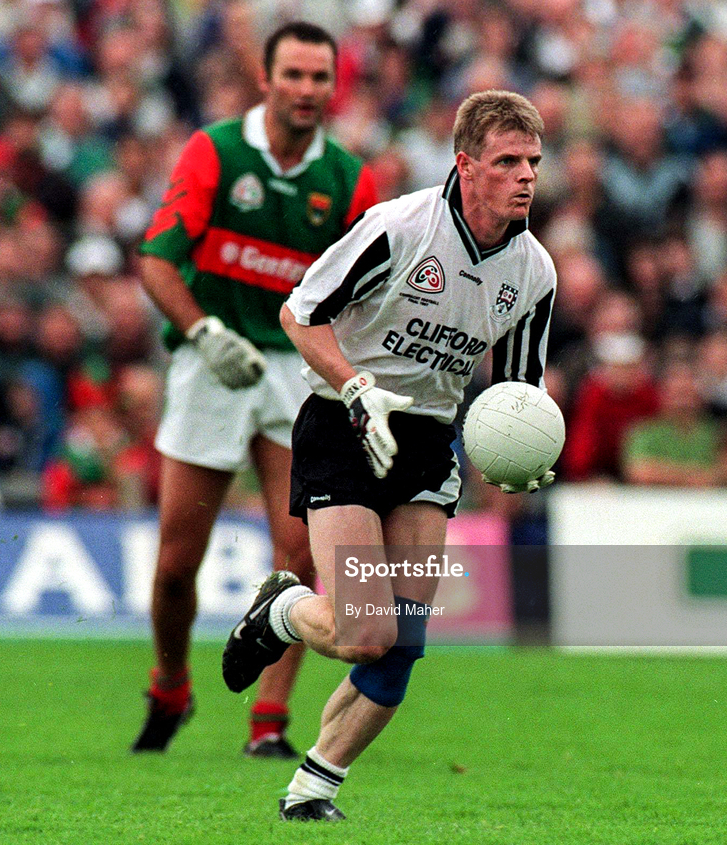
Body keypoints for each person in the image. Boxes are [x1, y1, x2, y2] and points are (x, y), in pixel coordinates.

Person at [222, 89, 556, 820]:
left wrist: (524, 456)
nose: (527, 175)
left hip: (428, 439)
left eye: (533, 160)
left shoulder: (534, 271)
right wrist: (354, 385)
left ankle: (313, 789)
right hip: (344, 425)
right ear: (466, 165)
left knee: (402, 640)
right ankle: (284, 609)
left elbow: (516, 395)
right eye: (508, 161)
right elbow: (299, 314)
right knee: (364, 631)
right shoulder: (399, 228)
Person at [132, 21, 378, 756]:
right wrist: (204, 332)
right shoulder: (216, 151)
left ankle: (268, 721)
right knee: (176, 565)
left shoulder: (349, 180)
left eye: (319, 77)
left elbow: (365, 296)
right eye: (293, 75)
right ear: (265, 80)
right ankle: (170, 684)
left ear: (334, 86)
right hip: (214, 359)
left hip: (297, 369)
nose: (306, 89)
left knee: (298, 554)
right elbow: (156, 261)